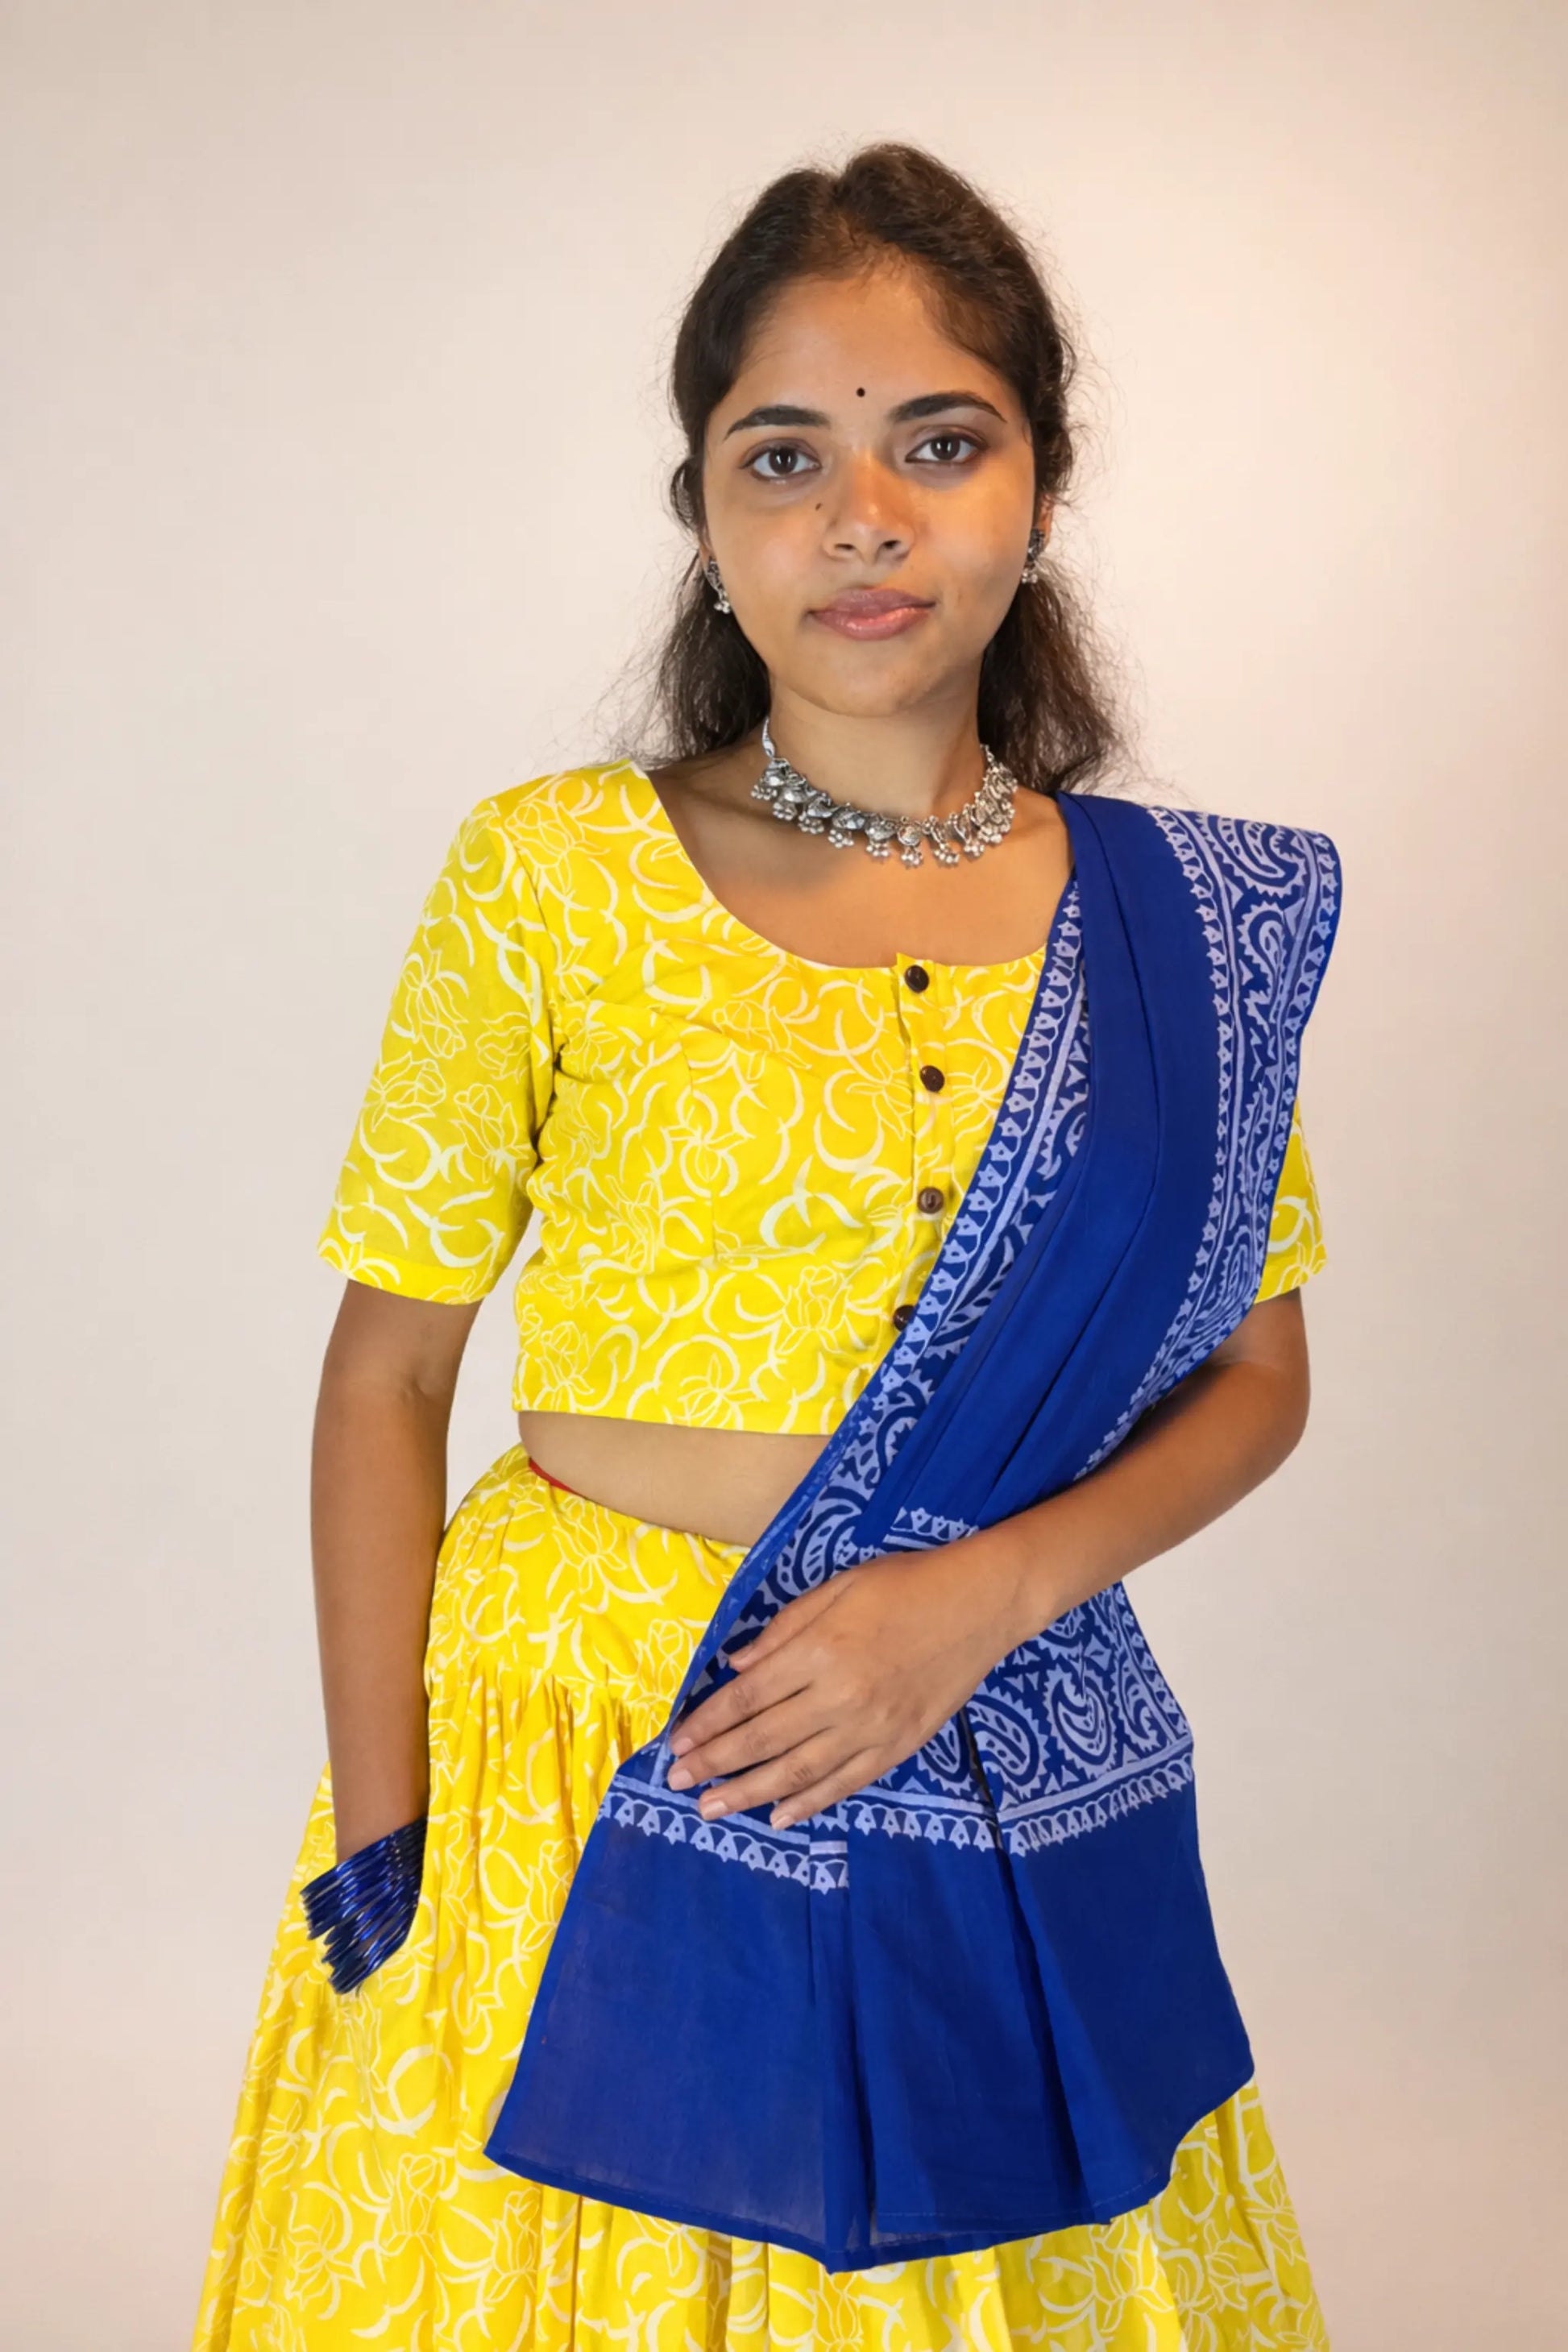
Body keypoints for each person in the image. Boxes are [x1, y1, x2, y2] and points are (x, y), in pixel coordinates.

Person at [193, 143, 1339, 2349]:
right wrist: (386, 1832)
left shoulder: (1182, 931)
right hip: (570, 1755)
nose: (863, 517)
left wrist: (972, 1603)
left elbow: (1259, 1382)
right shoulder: (553, 874)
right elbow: (387, 1375)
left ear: (1038, 482)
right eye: (782, 457)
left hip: (986, 1734)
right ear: (706, 521)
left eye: (938, 442)